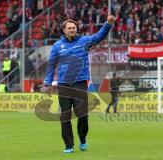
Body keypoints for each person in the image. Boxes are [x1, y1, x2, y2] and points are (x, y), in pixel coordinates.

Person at [43, 14, 115, 153]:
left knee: (82, 115)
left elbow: (98, 37)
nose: (72, 30)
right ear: (64, 30)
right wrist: (48, 82)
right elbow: (51, 65)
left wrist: (108, 24)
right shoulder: (57, 46)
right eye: (69, 28)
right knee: (65, 116)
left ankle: (82, 138)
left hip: (80, 83)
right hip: (64, 84)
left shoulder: (84, 41)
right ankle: (69, 146)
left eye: (73, 27)